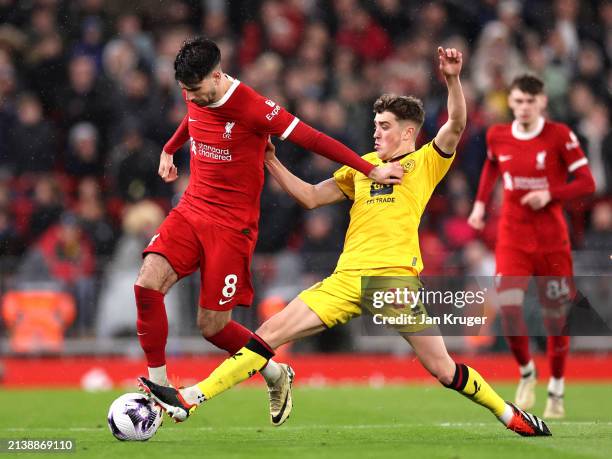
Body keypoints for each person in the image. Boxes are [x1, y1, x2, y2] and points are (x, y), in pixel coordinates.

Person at [139, 47, 551, 437]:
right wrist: (272, 162)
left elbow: (456, 124)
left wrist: (453, 80)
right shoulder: (365, 168)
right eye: (375, 126)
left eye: (384, 127)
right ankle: (190, 398)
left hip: (393, 282)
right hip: (345, 280)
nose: (376, 134)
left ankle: (509, 414)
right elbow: (312, 197)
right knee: (268, 334)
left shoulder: (425, 161)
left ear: (409, 132)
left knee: (444, 370)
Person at [134, 37, 403, 426]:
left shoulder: (253, 107)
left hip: (231, 227)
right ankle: (158, 390)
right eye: (184, 91)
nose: (189, 97)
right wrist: (169, 147)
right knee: (146, 285)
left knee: (213, 327)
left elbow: (312, 137)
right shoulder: (197, 94)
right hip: (191, 209)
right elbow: (191, 117)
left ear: (216, 75)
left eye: (195, 90)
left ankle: (275, 374)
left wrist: (370, 169)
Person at [466, 74, 596, 419]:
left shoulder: (559, 136)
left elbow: (587, 183)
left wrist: (551, 194)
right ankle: (527, 372)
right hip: (513, 237)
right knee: (508, 310)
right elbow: (491, 166)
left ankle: (556, 387)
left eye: (530, 101)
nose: (524, 107)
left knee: (556, 319)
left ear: (542, 102)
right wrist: (480, 206)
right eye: (518, 101)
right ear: (511, 102)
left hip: (552, 240)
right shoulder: (498, 135)